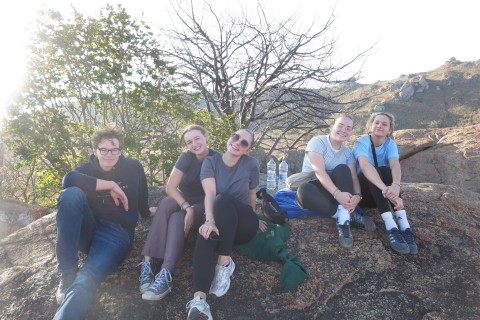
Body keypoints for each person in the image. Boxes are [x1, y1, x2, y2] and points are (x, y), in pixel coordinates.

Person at [53, 125, 149, 320]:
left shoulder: (133, 167)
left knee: (87, 277)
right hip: (88, 231)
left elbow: (142, 196)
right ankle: (67, 272)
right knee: (70, 195)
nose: (109, 154)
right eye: (103, 149)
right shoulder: (87, 168)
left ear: (121, 150)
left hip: (116, 235)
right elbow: (68, 180)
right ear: (94, 150)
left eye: (114, 150)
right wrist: (109, 185)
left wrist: (147, 212)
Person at [185, 129, 267, 320]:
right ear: (230, 137)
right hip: (221, 222)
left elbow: (251, 193)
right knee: (206, 233)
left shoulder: (251, 164)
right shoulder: (211, 162)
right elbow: (210, 194)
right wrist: (209, 221)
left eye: (244, 143)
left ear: (247, 150)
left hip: (243, 224)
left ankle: (224, 261)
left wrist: (256, 218)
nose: (238, 143)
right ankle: (199, 301)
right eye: (236, 137)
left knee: (224, 199)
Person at [139, 125, 219, 301]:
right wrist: (186, 206)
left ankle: (166, 272)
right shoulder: (186, 157)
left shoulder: (217, 158)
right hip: (185, 202)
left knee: (176, 218)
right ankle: (148, 262)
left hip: (204, 204)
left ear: (206, 137)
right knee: (167, 203)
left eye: (197, 138)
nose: (194, 144)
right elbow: (170, 187)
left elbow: (217, 192)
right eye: (189, 141)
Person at [296, 115, 376, 249]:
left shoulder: (348, 153)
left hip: (336, 192)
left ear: (351, 133)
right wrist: (337, 193)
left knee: (343, 169)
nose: (344, 130)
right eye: (340, 125)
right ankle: (346, 216)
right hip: (316, 188)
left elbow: (353, 177)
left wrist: (357, 195)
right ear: (331, 126)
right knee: (303, 191)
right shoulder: (317, 142)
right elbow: (319, 172)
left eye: (348, 128)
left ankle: (344, 223)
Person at [353, 112, 418, 254]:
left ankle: (404, 224)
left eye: (384, 124)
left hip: (380, 197)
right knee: (372, 169)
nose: (379, 126)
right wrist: (386, 190)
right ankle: (390, 226)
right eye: (376, 122)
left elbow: (395, 164)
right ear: (371, 125)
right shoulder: (362, 141)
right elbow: (364, 165)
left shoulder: (390, 143)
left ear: (389, 130)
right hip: (363, 195)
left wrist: (395, 186)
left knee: (387, 170)